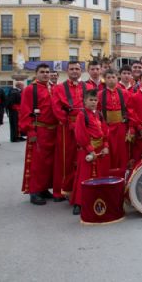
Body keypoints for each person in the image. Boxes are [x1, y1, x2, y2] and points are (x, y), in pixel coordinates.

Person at [19, 64, 58, 204]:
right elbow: (24, 111)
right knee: (37, 162)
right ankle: (34, 191)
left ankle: (44, 189)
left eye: (47, 72)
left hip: (54, 130)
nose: (45, 74)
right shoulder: (30, 90)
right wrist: (30, 130)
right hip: (39, 130)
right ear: (36, 73)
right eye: (42, 72)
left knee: (50, 163)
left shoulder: (53, 88)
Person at [70, 89, 110, 215]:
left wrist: (105, 145)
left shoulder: (99, 114)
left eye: (95, 100)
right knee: (84, 176)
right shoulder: (82, 115)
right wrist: (90, 150)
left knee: (99, 175)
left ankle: (96, 200)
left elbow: (105, 131)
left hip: (99, 149)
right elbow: (80, 134)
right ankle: (79, 203)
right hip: (87, 150)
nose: (93, 102)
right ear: (84, 101)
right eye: (90, 100)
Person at [51, 61, 87, 200]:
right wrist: (68, 122)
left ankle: (79, 188)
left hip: (84, 126)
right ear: (67, 71)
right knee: (65, 158)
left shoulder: (87, 86)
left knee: (83, 158)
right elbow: (56, 108)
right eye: (72, 69)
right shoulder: (59, 88)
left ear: (81, 71)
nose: (74, 71)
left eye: (77, 69)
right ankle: (61, 190)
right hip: (67, 128)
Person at [98, 70, 131, 171]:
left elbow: (130, 110)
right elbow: (98, 111)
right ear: (104, 79)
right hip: (106, 126)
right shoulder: (100, 94)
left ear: (117, 78)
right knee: (109, 150)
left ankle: (122, 173)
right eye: (108, 77)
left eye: (113, 77)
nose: (111, 80)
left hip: (121, 126)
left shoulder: (125, 93)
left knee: (122, 151)